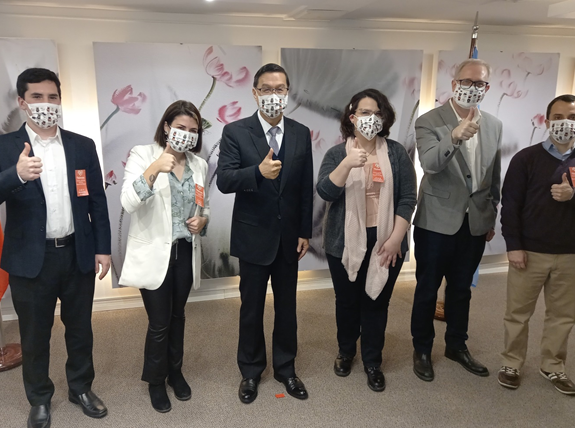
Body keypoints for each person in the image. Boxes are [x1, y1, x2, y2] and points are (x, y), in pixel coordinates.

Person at [0, 68, 111, 428]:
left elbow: (97, 200)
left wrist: (103, 248)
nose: (46, 104)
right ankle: (40, 398)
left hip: (77, 253)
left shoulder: (82, 145)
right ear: (22, 102)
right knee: (35, 335)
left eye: (52, 97)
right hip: (31, 259)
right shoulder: (0, 147)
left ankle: (81, 388)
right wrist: (15, 174)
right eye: (37, 97)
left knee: (80, 330)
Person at [216, 63, 313, 403]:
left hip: (289, 238)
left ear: (288, 93)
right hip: (253, 236)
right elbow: (225, 180)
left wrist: (304, 230)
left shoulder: (300, 132)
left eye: (280, 89)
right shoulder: (235, 131)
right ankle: (251, 371)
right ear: (255, 93)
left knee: (287, 308)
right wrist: (257, 172)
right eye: (267, 89)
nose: (274, 95)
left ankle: (286, 369)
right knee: (251, 308)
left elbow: (304, 187)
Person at [316, 89, 416, 392]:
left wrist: (397, 238)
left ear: (384, 118)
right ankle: (346, 351)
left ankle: (373, 361)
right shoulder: (337, 154)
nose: (371, 118)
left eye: (377, 113)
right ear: (352, 117)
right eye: (364, 112)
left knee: (376, 302)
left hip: (387, 238)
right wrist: (347, 164)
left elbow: (407, 197)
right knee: (346, 301)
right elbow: (325, 192)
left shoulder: (396, 153)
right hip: (344, 240)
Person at [411, 58, 502, 382]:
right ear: (454, 84)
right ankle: (422, 348)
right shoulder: (429, 121)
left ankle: (456, 345)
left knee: (462, 289)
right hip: (436, 222)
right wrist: (454, 136)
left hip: (475, 222)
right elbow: (430, 164)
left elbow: (493, 176)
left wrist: (490, 215)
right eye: (466, 81)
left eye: (479, 83)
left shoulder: (494, 124)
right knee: (427, 288)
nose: (472, 88)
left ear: (487, 88)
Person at [118, 100, 210, 412]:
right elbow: (128, 202)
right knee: (159, 322)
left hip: (185, 250)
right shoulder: (143, 154)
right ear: (167, 127)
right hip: (154, 251)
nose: (187, 134)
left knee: (178, 315)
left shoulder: (199, 165)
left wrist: (203, 220)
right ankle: (156, 381)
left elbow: (204, 205)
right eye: (181, 127)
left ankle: (175, 371)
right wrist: (155, 168)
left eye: (193, 130)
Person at [498, 94, 575, 396]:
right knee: (517, 313)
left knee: (562, 315)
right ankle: (511, 363)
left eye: (572, 117)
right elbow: (510, 205)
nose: (565, 123)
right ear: (547, 121)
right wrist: (513, 245)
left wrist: (574, 196)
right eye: (558, 117)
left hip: (571, 253)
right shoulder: (525, 158)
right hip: (530, 251)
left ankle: (553, 365)